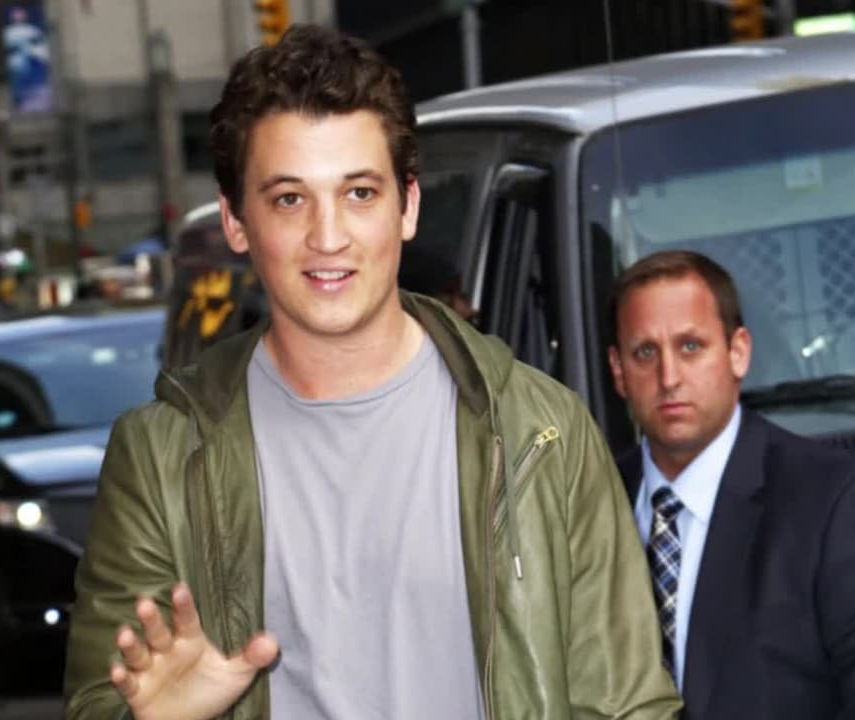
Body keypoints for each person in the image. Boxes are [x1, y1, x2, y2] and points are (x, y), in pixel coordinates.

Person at [64, 24, 680, 720]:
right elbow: (101, 704)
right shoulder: (160, 458)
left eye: (359, 193)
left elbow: (628, 707)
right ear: (236, 221)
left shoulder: (542, 433)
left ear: (407, 205)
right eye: (289, 199)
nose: (328, 237)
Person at [605, 250, 855, 719]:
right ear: (618, 371)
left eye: (690, 346)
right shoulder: (588, 505)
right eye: (645, 352)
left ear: (738, 352)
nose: (669, 377)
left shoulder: (843, 505)